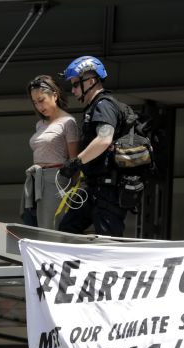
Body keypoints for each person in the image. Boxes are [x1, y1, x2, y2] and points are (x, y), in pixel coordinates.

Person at [57, 55, 128, 237]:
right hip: (93, 189)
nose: (72, 90)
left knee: (108, 243)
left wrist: (76, 162)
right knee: (66, 231)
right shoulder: (94, 107)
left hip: (108, 191)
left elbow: (104, 139)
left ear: (90, 81)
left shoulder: (104, 105)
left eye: (75, 84)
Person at [22, 75, 79, 229]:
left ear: (54, 95)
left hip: (56, 180)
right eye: (35, 102)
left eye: (41, 100)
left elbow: (74, 159)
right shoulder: (40, 124)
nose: (39, 106)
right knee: (34, 225)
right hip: (36, 178)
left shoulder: (68, 122)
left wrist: (71, 188)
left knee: (52, 227)